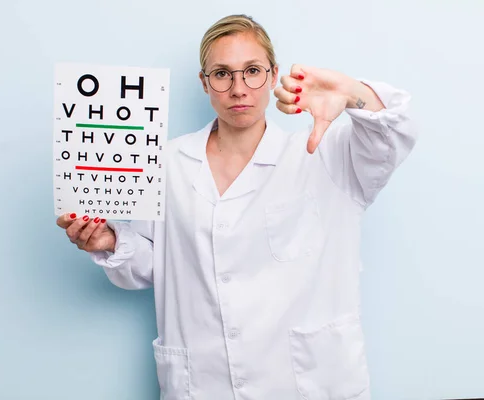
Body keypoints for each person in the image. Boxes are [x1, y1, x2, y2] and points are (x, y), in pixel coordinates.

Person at [56, 13, 417, 400]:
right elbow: (153, 266)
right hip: (205, 382)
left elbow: (393, 130)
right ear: (205, 82)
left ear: (274, 74)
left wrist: (349, 91)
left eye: (252, 71)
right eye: (223, 74)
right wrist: (111, 241)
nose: (239, 88)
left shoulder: (325, 154)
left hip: (306, 382)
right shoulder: (166, 162)